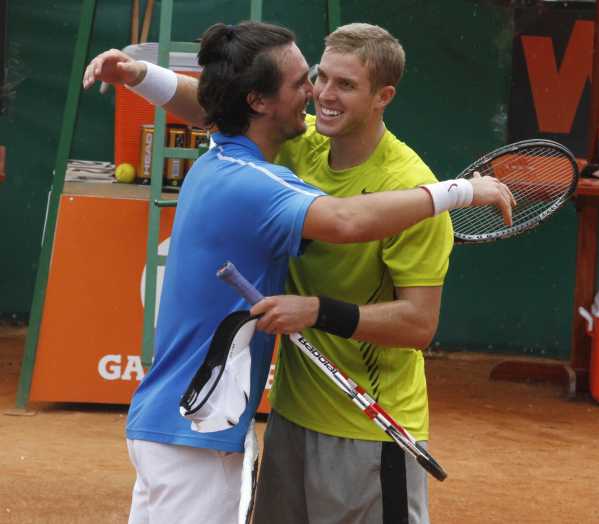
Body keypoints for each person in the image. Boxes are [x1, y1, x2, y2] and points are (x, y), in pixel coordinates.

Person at [84, 21, 514, 524]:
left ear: (384, 96)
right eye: (315, 77)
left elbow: (419, 324)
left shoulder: (408, 187)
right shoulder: (292, 149)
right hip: (265, 421)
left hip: (366, 427)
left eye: (344, 84)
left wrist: (316, 311)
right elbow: (344, 216)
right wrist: (461, 191)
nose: (320, 95)